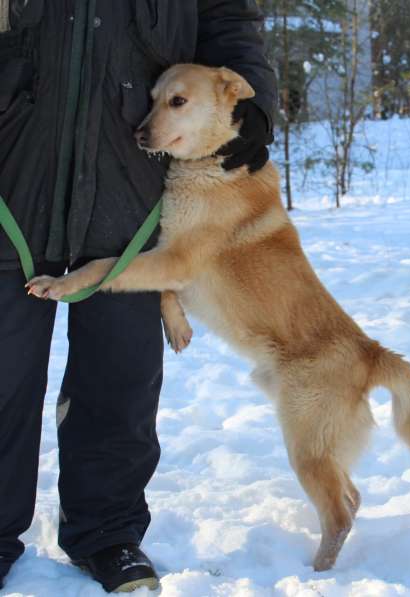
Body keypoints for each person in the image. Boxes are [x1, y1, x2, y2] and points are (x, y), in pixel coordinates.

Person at [0, 1, 276, 592]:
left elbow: (226, 14)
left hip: (135, 169)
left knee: (119, 374)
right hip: (12, 161)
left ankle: (107, 533)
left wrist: (256, 108)